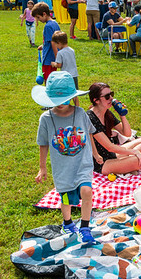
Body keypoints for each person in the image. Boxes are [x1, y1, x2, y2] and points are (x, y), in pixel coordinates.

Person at [32, 71, 99, 245]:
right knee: (67, 199)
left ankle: (85, 228)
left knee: (86, 191)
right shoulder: (46, 119)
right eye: (56, 100)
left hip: (82, 164)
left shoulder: (80, 113)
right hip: (62, 167)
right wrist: (42, 167)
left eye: (64, 99)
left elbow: (90, 133)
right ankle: (68, 223)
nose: (61, 104)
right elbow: (43, 144)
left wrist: (96, 154)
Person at [86, 82, 141, 175]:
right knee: (137, 161)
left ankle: (125, 164)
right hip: (101, 163)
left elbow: (127, 133)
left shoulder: (107, 113)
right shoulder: (90, 118)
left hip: (112, 155)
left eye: (111, 94)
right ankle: (126, 164)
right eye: (107, 96)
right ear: (96, 100)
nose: (111, 99)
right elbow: (110, 147)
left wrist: (122, 114)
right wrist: (135, 152)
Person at [31, 2, 62, 81]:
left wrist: (57, 57)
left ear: (44, 14)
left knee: (48, 80)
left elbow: (53, 42)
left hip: (48, 59)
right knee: (52, 79)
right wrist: (43, 45)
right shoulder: (55, 23)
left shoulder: (47, 26)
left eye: (38, 17)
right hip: (53, 58)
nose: (38, 20)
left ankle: (49, 93)